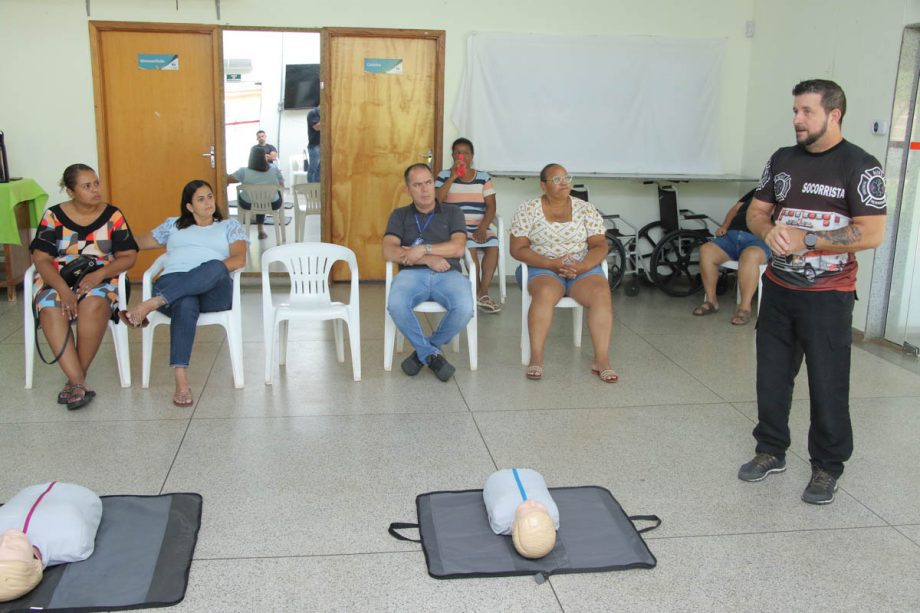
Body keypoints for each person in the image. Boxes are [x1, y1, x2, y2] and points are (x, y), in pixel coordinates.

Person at [739, 79, 887, 505]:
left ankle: (827, 466)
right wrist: (769, 231)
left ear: (834, 114)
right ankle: (770, 450)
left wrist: (808, 240)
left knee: (827, 384)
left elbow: (871, 233)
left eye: (806, 111)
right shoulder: (782, 160)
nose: (796, 120)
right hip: (779, 290)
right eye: (795, 111)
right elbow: (758, 211)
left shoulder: (860, 165)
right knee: (771, 378)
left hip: (829, 296)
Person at [127, 180, 247, 407]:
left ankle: (152, 303)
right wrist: (103, 242)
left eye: (210, 196)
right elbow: (139, 241)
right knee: (185, 302)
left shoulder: (229, 227)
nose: (208, 202)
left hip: (214, 290)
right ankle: (181, 381)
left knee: (214, 265)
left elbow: (239, 259)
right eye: (201, 199)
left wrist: (212, 269)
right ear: (189, 206)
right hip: (176, 283)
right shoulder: (173, 225)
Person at [29, 164, 138, 410]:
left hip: (103, 277)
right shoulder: (53, 216)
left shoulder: (113, 215)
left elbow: (128, 256)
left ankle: (74, 381)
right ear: (70, 191)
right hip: (58, 278)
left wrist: (99, 274)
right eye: (87, 186)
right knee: (50, 306)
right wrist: (63, 290)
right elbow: (41, 259)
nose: (95, 190)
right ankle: (78, 381)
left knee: (94, 303)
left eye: (96, 183)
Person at [509, 163, 616, 383]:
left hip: (581, 268)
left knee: (600, 292)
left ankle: (601, 359)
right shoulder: (528, 209)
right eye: (556, 179)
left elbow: (600, 245)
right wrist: (550, 263)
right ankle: (536, 357)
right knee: (545, 292)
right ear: (543, 185)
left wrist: (583, 266)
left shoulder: (585, 208)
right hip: (541, 267)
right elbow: (517, 249)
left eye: (567, 178)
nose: (564, 182)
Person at [383, 163, 474, 382]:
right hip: (411, 274)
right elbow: (389, 250)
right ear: (408, 190)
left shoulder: (453, 212)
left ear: (434, 184)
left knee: (465, 308)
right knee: (395, 305)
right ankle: (432, 355)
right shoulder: (400, 215)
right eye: (417, 185)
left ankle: (423, 353)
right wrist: (428, 259)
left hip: (448, 274)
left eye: (428, 183)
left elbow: (458, 248)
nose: (425, 190)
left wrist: (422, 249)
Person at [0, 482, 103, 602]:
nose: (6, 538)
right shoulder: (72, 543)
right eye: (14, 547)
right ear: (35, 561)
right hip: (81, 494)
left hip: (30, 490)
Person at [435, 137, 501, 313]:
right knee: (470, 246)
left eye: (465, 152)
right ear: (453, 156)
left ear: (472, 156)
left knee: (493, 246)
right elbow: (437, 200)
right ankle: (477, 293)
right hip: (456, 227)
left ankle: (483, 292)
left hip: (479, 225)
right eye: (457, 152)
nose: (461, 156)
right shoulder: (443, 175)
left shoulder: (483, 177)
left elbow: (491, 206)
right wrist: (453, 177)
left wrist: (482, 228)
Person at [692, 189, 771, 325]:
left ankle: (744, 308)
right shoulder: (759, 190)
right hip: (731, 237)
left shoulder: (786, 196)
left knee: (750, 256)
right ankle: (711, 301)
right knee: (706, 250)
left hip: (758, 240)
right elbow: (735, 209)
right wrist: (724, 226)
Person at [483, 469, 559, 559]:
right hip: (532, 474)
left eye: (527, 509)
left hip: (496, 478)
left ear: (514, 525)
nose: (532, 503)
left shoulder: (501, 516)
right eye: (539, 508)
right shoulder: (553, 513)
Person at [228, 145, 284, 240]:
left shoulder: (243, 171)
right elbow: (282, 185)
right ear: (264, 157)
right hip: (273, 203)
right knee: (263, 198)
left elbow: (228, 179)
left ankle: (254, 230)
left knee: (256, 198)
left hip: (249, 204)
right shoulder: (275, 169)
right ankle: (261, 229)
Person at [306, 106, 320, 183]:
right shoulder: (313, 113)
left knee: (320, 170)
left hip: (323, 146)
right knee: (313, 169)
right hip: (315, 146)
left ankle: (317, 190)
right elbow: (317, 127)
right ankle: (311, 190)